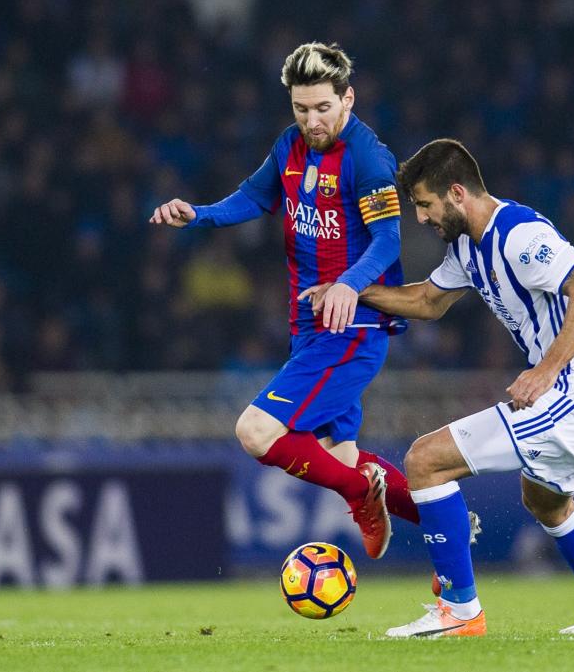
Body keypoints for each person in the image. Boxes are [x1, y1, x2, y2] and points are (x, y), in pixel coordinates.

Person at [303, 138, 574, 637]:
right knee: (547, 503)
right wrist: (352, 290)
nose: (420, 218)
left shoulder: (519, 235)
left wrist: (547, 369)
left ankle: (460, 613)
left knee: (425, 460)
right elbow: (426, 300)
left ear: (457, 193)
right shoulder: (468, 246)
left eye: (424, 204)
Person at [149, 42, 420, 559]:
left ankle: (360, 494)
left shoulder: (368, 158)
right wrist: (199, 214)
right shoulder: (289, 147)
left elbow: (387, 241)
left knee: (255, 431)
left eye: (323, 107)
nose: (312, 120)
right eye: (301, 108)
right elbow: (255, 198)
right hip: (309, 324)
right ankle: (447, 526)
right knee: (336, 452)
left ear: (348, 99)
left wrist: (348, 284)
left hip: (351, 325)